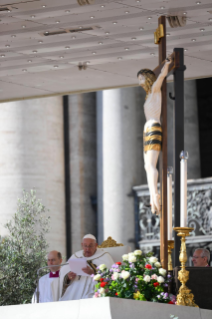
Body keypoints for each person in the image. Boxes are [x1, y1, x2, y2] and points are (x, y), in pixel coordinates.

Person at [137, 57, 172, 214]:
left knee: (151, 164)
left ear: (148, 79)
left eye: (141, 78)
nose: (140, 82)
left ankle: (155, 194)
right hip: (148, 128)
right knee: (147, 166)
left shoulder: (156, 90)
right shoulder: (148, 95)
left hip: (153, 126)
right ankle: (152, 195)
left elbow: (162, 76)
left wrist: (168, 64)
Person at [59, 234, 114, 301]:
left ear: (96, 245)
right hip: (76, 288)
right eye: (85, 246)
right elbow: (63, 272)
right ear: (82, 245)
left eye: (90, 246)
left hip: (94, 288)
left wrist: (93, 272)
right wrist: (68, 277)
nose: (87, 249)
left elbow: (111, 275)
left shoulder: (104, 256)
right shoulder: (76, 256)